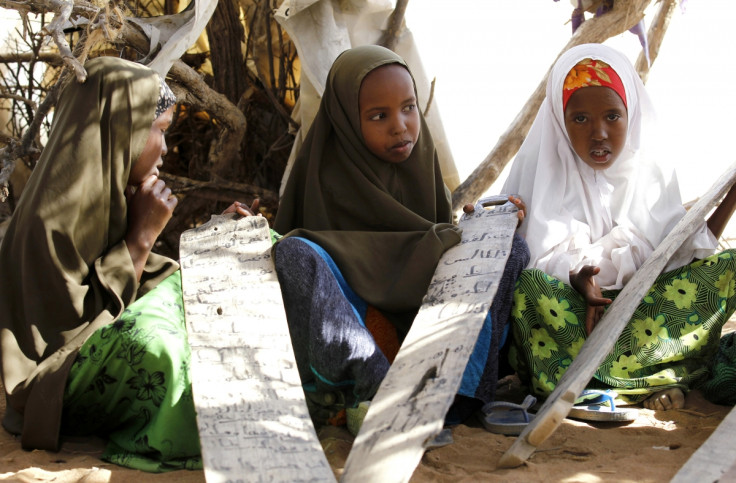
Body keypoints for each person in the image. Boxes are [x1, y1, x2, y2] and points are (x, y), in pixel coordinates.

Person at [273, 44, 529, 428]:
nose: (400, 125)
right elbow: (299, 278)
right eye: (379, 115)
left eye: (408, 107)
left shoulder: (422, 166)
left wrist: (484, 234)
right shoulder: (323, 174)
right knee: (293, 253)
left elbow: (442, 265)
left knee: (510, 248)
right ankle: (376, 390)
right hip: (363, 338)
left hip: (430, 350)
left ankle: (460, 396)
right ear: (345, 121)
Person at [0, 56, 208, 472]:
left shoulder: (111, 194)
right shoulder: (51, 216)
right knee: (160, 351)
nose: (166, 150)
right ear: (123, 130)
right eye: (161, 132)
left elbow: (143, 282)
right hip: (57, 380)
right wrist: (142, 236)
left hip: (99, 346)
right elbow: (74, 330)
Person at [502, 43, 736, 411]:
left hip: (644, 322)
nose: (599, 133)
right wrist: (578, 278)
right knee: (530, 288)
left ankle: (624, 381)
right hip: (573, 320)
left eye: (613, 116)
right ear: (559, 121)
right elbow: (528, 259)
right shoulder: (538, 169)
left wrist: (731, 199)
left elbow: (683, 253)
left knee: (729, 267)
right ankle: (650, 379)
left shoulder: (650, 168)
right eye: (579, 119)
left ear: (632, 115)